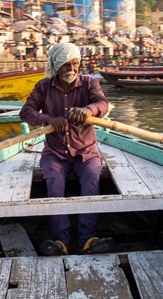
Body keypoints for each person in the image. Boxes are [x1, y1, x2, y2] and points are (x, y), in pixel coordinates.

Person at [19, 42, 114, 256]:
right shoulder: (43, 86)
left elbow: (103, 104)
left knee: (91, 182)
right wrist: (47, 119)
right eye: (66, 64)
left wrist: (88, 110)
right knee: (54, 184)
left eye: (75, 63)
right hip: (55, 153)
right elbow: (26, 112)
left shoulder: (89, 83)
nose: (71, 68)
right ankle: (61, 240)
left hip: (86, 151)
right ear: (56, 66)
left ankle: (87, 238)